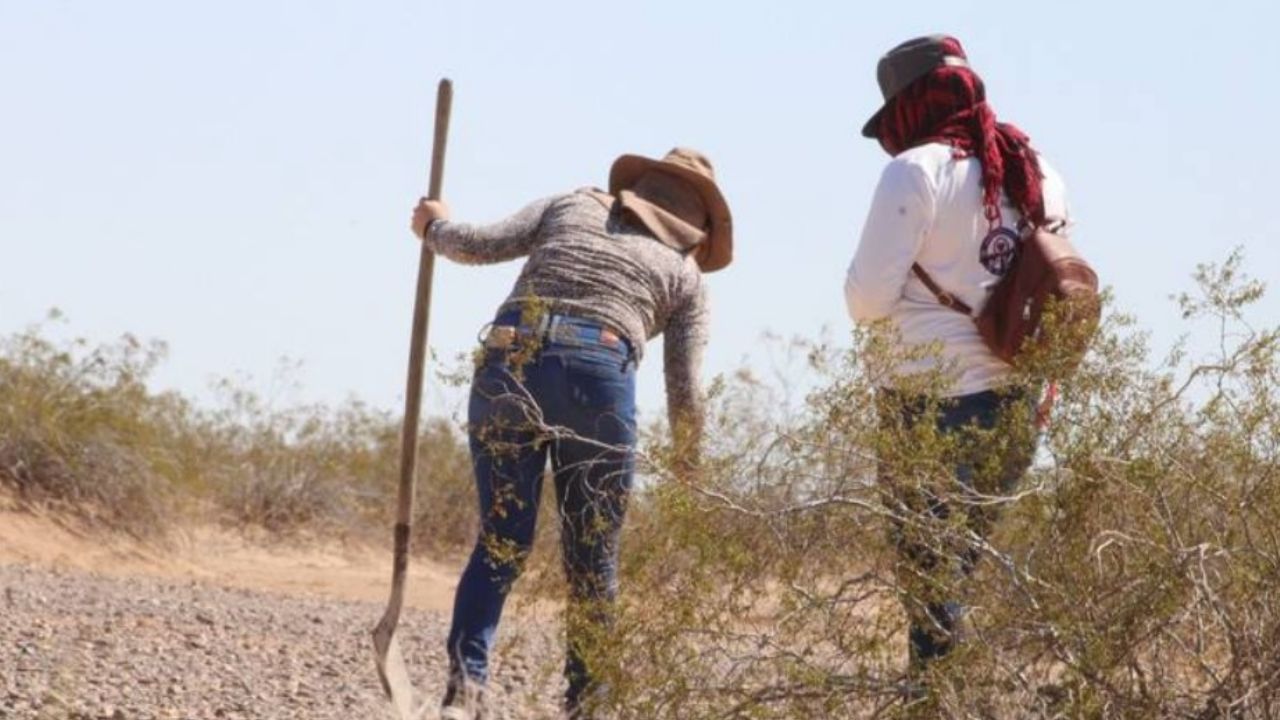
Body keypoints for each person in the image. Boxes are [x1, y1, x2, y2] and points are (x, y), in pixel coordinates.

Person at [410, 148, 732, 720]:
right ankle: (589, 706)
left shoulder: (571, 205)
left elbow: (475, 244)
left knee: (502, 541)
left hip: (510, 357)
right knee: (593, 561)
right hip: (597, 376)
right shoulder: (685, 276)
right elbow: (684, 388)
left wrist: (434, 226)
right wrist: (690, 467)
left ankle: (463, 694)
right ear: (698, 227)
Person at [843, 35, 1070, 689]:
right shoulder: (1041, 171)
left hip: (928, 398)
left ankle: (934, 701)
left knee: (929, 577)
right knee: (959, 569)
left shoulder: (915, 171)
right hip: (1017, 403)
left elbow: (867, 300)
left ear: (907, 108)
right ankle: (954, 694)